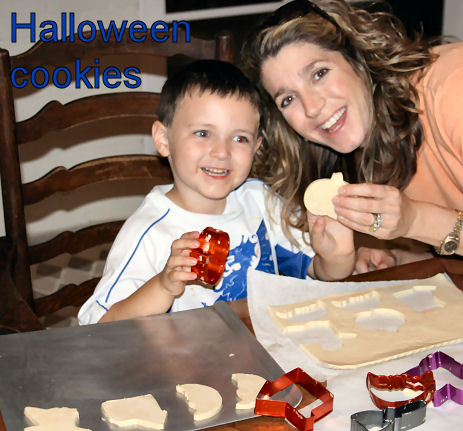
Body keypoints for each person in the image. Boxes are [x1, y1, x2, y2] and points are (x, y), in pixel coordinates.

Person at [78, 59, 355, 325]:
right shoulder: (148, 232)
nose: (222, 152)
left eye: (239, 138)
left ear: (256, 148)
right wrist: (163, 286)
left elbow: (323, 274)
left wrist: (338, 257)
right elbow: (98, 325)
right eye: (202, 133)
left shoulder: (260, 201)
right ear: (164, 140)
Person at [242, 0, 463, 273]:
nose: (312, 107)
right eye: (288, 99)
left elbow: (434, 222)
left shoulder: (454, 88)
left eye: (319, 73)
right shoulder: (359, 142)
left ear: (358, 59)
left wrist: (415, 219)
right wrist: (399, 258)